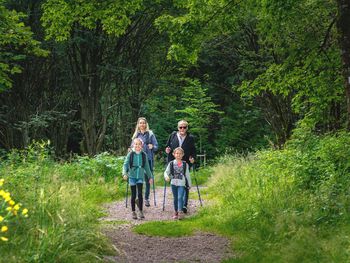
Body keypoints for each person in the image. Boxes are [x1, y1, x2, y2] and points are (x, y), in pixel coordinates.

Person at [165, 120, 196, 213]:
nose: (182, 129)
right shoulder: (173, 135)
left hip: (185, 163)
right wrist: (167, 150)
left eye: (184, 127)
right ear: (178, 128)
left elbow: (193, 150)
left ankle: (184, 205)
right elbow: (167, 146)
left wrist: (193, 158)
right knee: (175, 183)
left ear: (187, 128)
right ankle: (177, 204)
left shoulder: (190, 138)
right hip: (174, 163)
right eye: (180, 127)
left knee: (185, 183)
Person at [130, 117, 158, 207]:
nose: (142, 124)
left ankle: (146, 198)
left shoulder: (150, 134)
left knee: (148, 179)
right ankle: (139, 197)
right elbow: (132, 147)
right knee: (138, 178)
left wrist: (152, 147)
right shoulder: (136, 135)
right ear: (138, 124)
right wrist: (130, 150)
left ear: (146, 124)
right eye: (140, 123)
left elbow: (156, 146)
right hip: (137, 160)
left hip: (148, 159)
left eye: (144, 123)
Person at [123, 138, 154, 219]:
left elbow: (147, 167)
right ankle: (133, 211)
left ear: (142, 145)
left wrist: (150, 177)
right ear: (133, 145)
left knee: (140, 194)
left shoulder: (144, 155)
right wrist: (124, 173)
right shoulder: (130, 154)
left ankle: (140, 211)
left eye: (139, 144)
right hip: (132, 176)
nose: (137, 146)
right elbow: (125, 165)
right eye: (136, 144)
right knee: (133, 195)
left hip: (140, 176)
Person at [164, 147, 191, 220]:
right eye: (177, 153)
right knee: (175, 198)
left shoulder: (185, 164)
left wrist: (189, 184)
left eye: (180, 153)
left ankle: (180, 212)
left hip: (181, 184)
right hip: (173, 183)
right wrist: (166, 177)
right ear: (174, 154)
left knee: (180, 197)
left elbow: (187, 175)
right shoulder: (171, 163)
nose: (178, 155)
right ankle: (176, 212)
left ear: (182, 155)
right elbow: (166, 172)